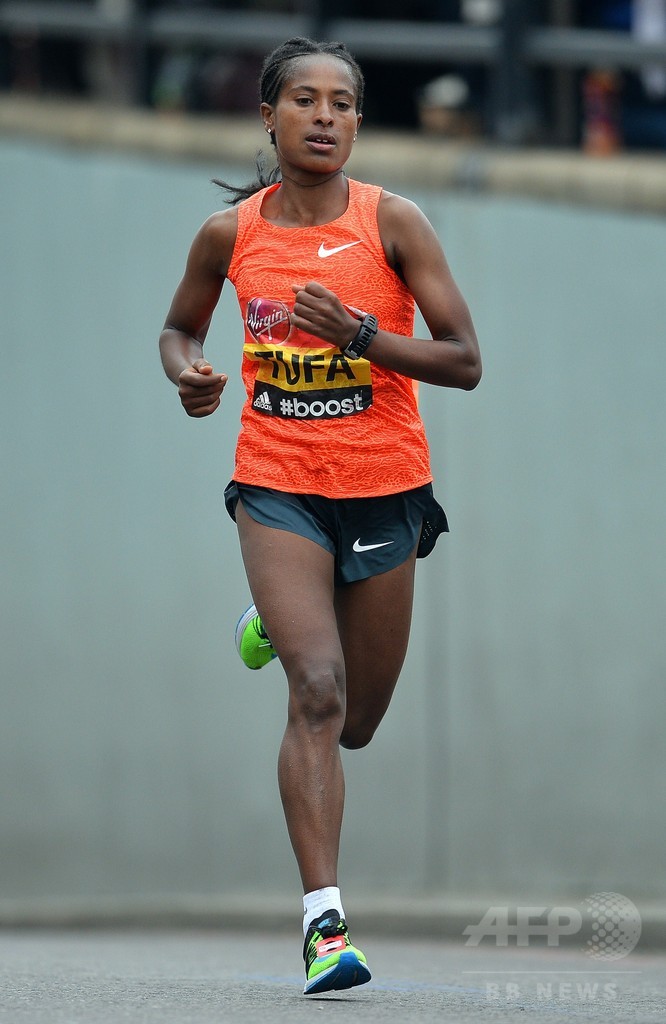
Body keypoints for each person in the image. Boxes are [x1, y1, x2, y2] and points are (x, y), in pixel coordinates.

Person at [159, 36, 481, 995]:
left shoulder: (396, 225)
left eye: (343, 102)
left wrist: (365, 337)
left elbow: (465, 359)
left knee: (359, 723)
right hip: (278, 482)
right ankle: (326, 926)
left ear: (357, 121)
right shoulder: (232, 235)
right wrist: (190, 375)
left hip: (383, 488)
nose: (326, 116)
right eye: (305, 100)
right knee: (317, 691)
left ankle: (281, 616)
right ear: (269, 115)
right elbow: (180, 327)